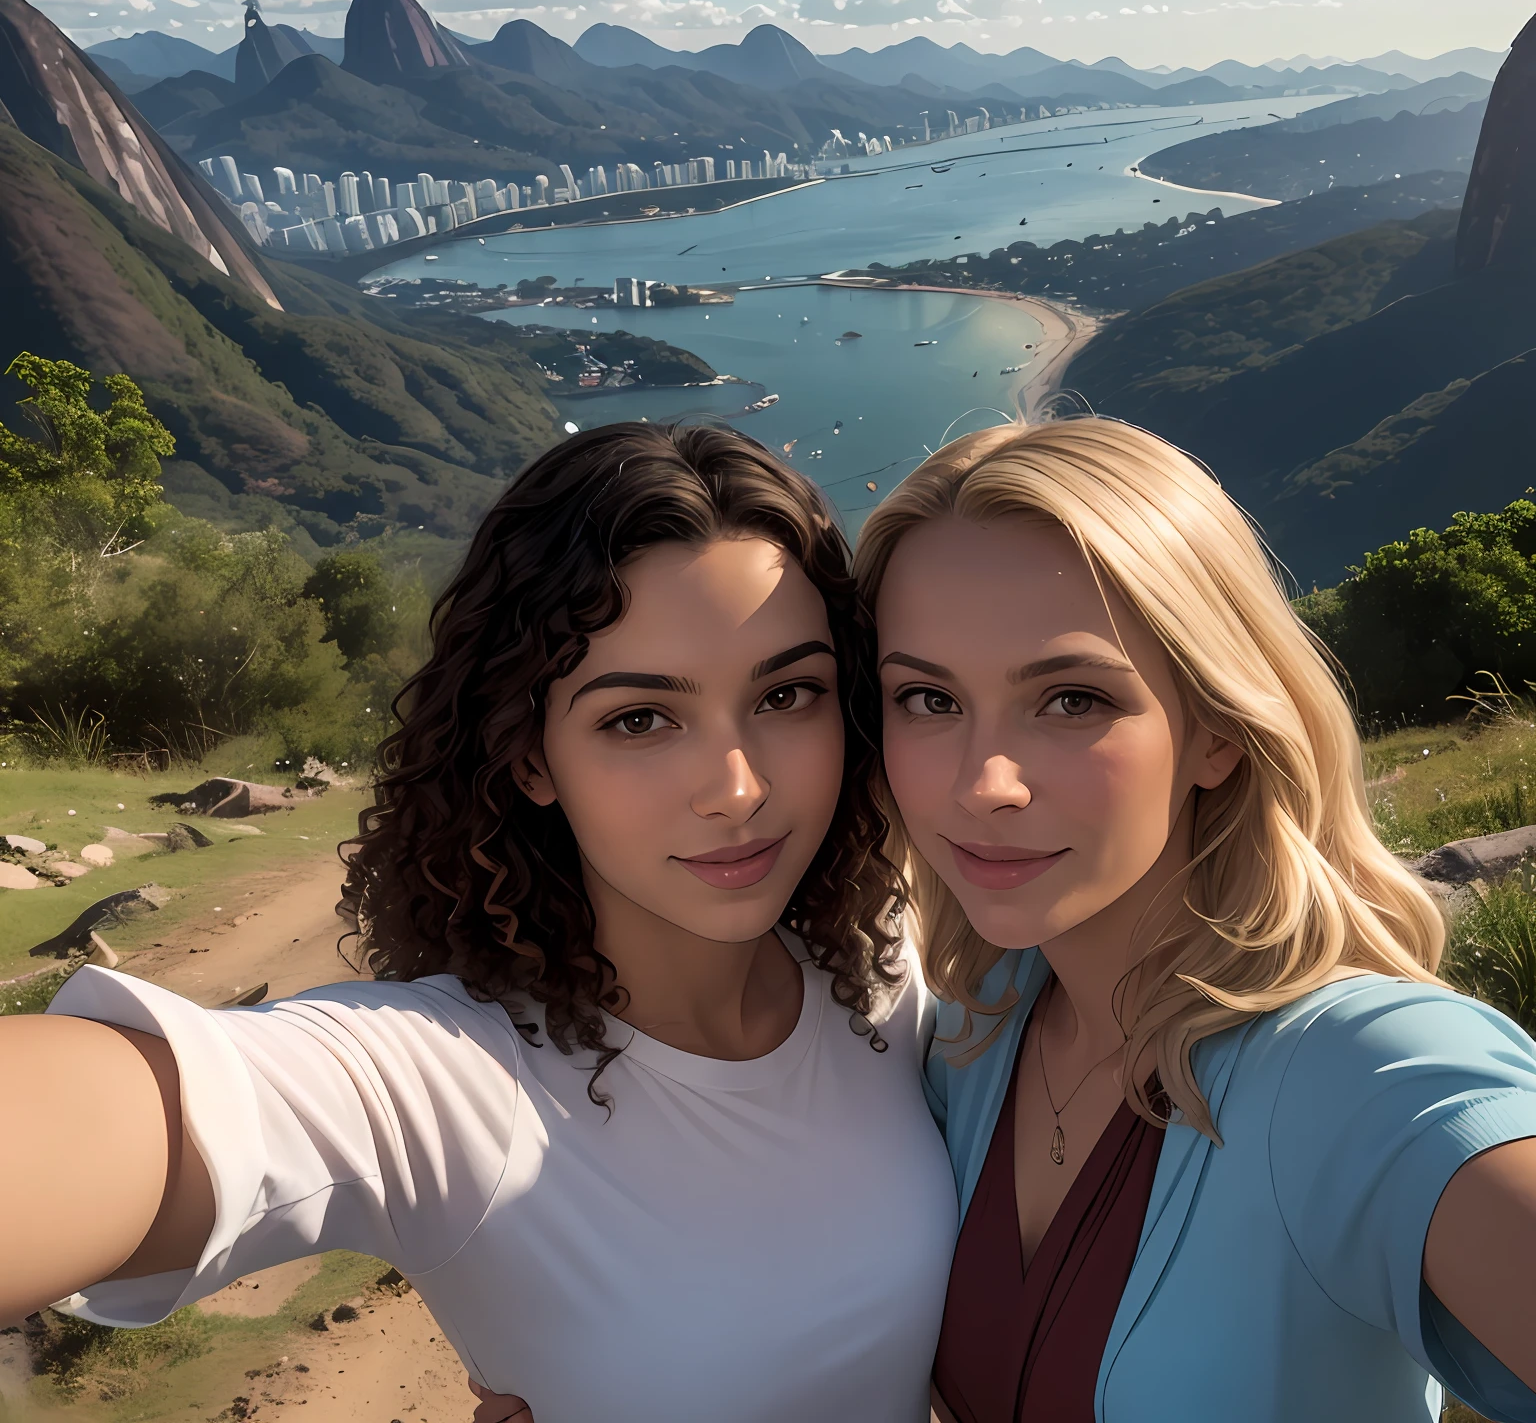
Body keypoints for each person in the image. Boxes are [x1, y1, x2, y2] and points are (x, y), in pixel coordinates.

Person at [0, 422, 958, 1423]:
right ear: (531, 757)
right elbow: (125, 1126)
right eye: (639, 719)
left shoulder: (885, 973)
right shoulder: (454, 1086)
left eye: (787, 694)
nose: (737, 788)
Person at [854, 416, 1536, 1423]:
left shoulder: (1366, 1075)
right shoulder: (976, 1029)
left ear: (1216, 731)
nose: (984, 783)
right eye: (927, 698)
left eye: (1073, 700)